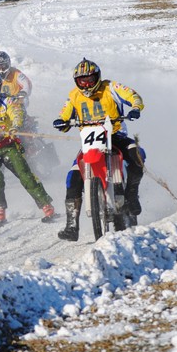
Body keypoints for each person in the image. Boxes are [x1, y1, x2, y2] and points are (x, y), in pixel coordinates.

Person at [53, 59, 145, 241]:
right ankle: (72, 225)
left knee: (137, 154)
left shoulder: (111, 87)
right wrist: (61, 122)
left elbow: (134, 96)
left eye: (89, 79)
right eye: (82, 81)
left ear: (97, 76)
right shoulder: (73, 96)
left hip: (115, 135)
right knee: (73, 177)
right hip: (90, 142)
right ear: (76, 82)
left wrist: (135, 108)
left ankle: (132, 195)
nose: (86, 84)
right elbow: (64, 115)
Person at [0, 71, 55, 226]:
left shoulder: (7, 101)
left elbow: (16, 113)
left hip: (9, 145)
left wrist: (15, 126)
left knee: (25, 174)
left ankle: (46, 204)